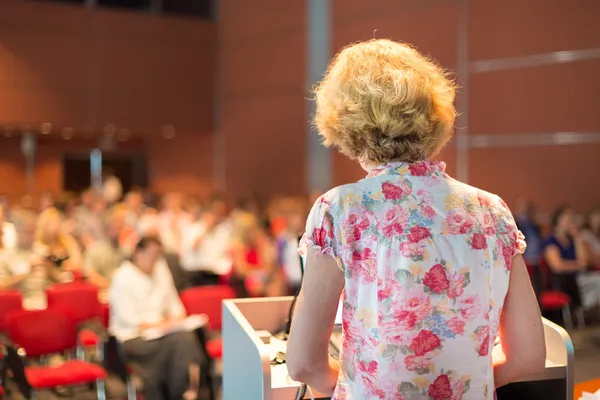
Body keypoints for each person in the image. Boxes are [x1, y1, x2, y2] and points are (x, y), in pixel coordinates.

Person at [286, 39, 545, 399]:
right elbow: (530, 358)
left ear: (345, 121)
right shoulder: (492, 211)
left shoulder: (341, 209)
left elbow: (303, 364)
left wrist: (361, 385)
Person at [108, 236, 201, 400]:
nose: (154, 261)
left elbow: (175, 306)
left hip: (162, 334)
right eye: (151, 257)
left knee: (186, 338)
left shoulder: (161, 271)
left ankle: (180, 391)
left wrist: (175, 321)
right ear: (138, 253)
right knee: (180, 343)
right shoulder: (123, 277)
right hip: (133, 338)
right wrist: (165, 324)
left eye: (157, 257)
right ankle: (180, 392)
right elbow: (131, 321)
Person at [0, 213, 64, 309]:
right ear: (17, 231)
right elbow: (2, 286)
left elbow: (60, 281)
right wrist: (28, 271)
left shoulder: (44, 251)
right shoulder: (6, 256)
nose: (28, 235)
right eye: (25, 231)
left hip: (46, 300)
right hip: (21, 303)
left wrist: (49, 269)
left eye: (32, 231)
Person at [544, 205, 600, 312]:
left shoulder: (572, 239)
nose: (571, 222)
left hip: (579, 278)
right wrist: (577, 265)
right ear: (558, 220)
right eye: (568, 218)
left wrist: (577, 237)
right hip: (564, 280)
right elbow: (557, 266)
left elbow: (584, 261)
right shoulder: (550, 240)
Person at [180, 196, 232, 287]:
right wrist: (205, 230)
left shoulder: (222, 232)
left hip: (216, 272)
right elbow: (194, 248)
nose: (216, 217)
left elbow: (226, 253)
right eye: (214, 213)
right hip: (195, 273)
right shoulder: (191, 229)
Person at [83, 205, 130, 302]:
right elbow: (90, 275)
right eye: (116, 224)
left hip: (125, 293)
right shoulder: (95, 250)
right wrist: (112, 285)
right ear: (108, 226)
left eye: (121, 225)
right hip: (104, 294)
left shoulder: (127, 250)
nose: (119, 227)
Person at [33, 207, 82, 273]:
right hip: (47, 279)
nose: (54, 227)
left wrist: (65, 265)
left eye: (56, 222)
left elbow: (77, 264)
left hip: (68, 277)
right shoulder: (39, 246)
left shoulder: (68, 241)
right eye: (50, 224)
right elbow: (36, 268)